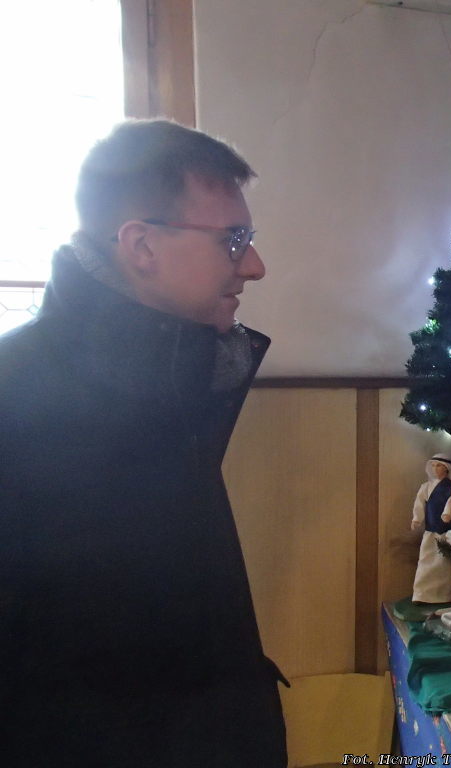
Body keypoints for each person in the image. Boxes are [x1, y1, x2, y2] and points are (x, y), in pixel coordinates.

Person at [0, 120, 286, 766]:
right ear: (142, 246)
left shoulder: (179, 372)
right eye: (233, 240)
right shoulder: (14, 393)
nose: (255, 265)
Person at [411, 454, 451, 604]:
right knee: (425, 561)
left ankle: (444, 595)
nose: (435, 468)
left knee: (444, 564)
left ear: (446, 468)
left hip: (445, 532)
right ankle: (422, 594)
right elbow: (419, 503)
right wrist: (417, 518)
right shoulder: (426, 487)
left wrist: (447, 513)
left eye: (438, 465)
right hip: (430, 531)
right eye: (433, 465)